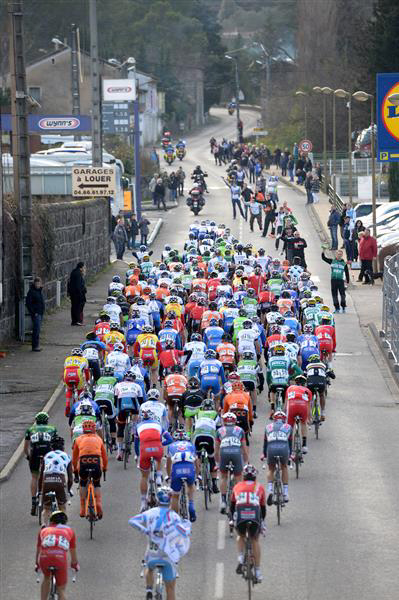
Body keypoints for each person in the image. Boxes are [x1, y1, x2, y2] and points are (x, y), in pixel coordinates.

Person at [129, 486, 191, 600]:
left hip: (152, 555)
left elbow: (132, 521)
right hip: (167, 557)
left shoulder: (150, 513)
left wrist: (145, 530)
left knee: (148, 567)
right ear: (170, 499)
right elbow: (183, 533)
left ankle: (148, 589)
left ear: (157, 499)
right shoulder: (174, 516)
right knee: (171, 589)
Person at [230, 464, 266, 583]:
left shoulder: (237, 486)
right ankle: (258, 571)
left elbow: (232, 506)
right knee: (255, 539)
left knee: (240, 535)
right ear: (255, 477)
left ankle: (240, 558)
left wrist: (231, 520)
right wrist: (263, 523)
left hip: (240, 513)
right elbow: (263, 509)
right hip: (254, 514)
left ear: (244, 477)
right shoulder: (260, 487)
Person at [36, 510, 79, 600]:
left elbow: (39, 549)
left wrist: (37, 564)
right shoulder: (69, 530)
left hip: (45, 557)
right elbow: (73, 553)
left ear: (51, 521)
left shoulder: (44, 530)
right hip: (60, 558)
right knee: (61, 588)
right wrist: (74, 565)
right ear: (65, 522)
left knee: (46, 578)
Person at [72, 419, 108, 518]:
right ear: (94, 429)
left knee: (83, 482)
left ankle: (83, 508)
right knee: (96, 483)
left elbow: (74, 458)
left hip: (84, 461)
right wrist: (104, 468)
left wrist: (75, 470)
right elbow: (104, 457)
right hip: (95, 461)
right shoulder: (98, 439)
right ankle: (98, 503)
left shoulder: (78, 439)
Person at [24, 412, 57, 516]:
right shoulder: (52, 428)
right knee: (51, 474)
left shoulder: (30, 429)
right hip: (48, 453)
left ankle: (34, 500)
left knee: (34, 477)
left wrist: (28, 456)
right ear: (47, 420)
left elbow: (25, 448)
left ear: (36, 420)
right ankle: (51, 496)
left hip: (35, 454)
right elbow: (56, 445)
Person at [263, 410, 291, 503]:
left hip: (271, 448)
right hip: (283, 448)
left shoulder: (268, 427)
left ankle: (270, 489)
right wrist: (290, 455)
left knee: (271, 469)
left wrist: (264, 454)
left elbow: (265, 444)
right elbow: (290, 444)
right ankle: (286, 493)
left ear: (274, 420)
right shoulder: (288, 427)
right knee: (284, 467)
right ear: (284, 419)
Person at [321, 249, 350, 313]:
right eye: (338, 254)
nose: (339, 255)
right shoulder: (332, 261)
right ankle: (337, 308)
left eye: (340, 254)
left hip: (341, 280)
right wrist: (323, 251)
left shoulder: (344, 263)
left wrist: (347, 281)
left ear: (342, 255)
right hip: (333, 280)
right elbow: (324, 258)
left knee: (342, 295)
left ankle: (343, 307)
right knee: (334, 295)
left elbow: (347, 273)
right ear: (336, 255)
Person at [26, 276, 45, 351]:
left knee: (38, 329)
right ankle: (35, 346)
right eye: (36, 283)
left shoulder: (39, 291)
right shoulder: (31, 292)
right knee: (36, 330)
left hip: (40, 312)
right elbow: (28, 303)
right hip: (36, 314)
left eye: (39, 283)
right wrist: (34, 312)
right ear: (34, 284)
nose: (38, 285)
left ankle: (37, 345)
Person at [67, 261, 86, 326]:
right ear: (81, 267)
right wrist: (80, 293)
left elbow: (70, 283)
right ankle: (77, 321)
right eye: (84, 267)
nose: (84, 268)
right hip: (77, 294)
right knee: (77, 307)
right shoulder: (78, 274)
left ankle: (74, 321)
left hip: (73, 293)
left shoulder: (74, 272)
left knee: (74, 307)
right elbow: (78, 285)